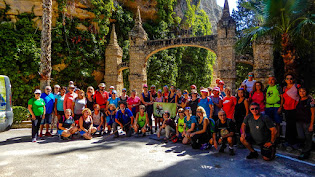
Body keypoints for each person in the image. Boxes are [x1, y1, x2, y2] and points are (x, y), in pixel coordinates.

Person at [280, 73, 300, 147]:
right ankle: (288, 141)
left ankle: (294, 141)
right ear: (285, 80)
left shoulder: (297, 86)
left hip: (295, 108)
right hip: (287, 109)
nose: (289, 80)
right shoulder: (284, 88)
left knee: (294, 125)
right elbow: (283, 98)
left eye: (291, 78)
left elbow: (304, 93)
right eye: (287, 79)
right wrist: (281, 106)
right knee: (288, 125)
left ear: (293, 79)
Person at [296, 87, 314, 160]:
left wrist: (311, 124)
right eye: (300, 91)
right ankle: (306, 149)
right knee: (301, 137)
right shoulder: (299, 100)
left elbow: (313, 113)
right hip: (299, 121)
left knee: (308, 137)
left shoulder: (310, 101)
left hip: (307, 122)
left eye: (303, 91)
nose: (302, 93)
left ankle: (306, 152)